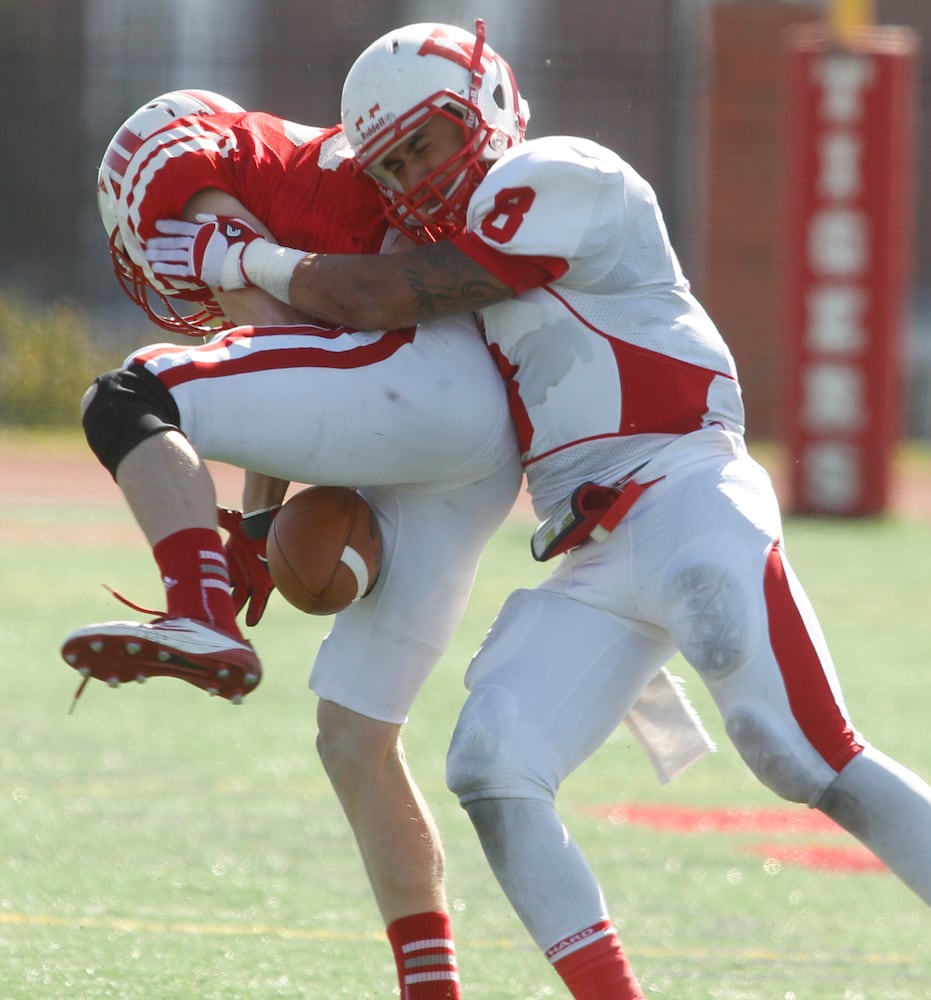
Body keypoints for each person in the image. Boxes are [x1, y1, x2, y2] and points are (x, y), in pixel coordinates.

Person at [145, 21, 931, 998]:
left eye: (421, 144)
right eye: (386, 167)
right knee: (490, 766)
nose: (409, 180)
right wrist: (270, 521)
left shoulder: (560, 174)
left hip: (685, 489)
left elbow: (384, 293)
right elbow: (374, 383)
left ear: (483, 105)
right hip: (592, 553)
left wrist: (239, 259)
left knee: (798, 750)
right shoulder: (464, 261)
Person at [63, 89, 523, 1000]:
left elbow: (263, 343)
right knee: (354, 739)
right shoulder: (285, 161)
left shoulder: (175, 168)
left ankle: (197, 611)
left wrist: (236, 556)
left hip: (422, 384)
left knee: (128, 398)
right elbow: (284, 382)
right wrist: (265, 527)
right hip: (482, 436)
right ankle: (432, 989)